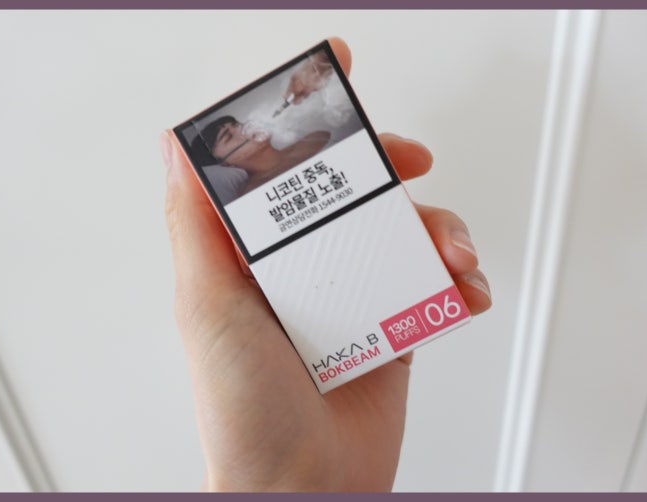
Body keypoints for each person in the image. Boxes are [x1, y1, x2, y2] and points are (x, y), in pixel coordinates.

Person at [160, 37, 492, 492]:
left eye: (237, 123)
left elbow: (325, 80)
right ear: (221, 163)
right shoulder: (250, 202)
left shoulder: (320, 134)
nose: (245, 128)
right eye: (229, 136)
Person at [190, 115, 330, 197]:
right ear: (227, 163)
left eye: (237, 124)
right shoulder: (256, 193)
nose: (242, 129)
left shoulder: (314, 138)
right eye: (229, 136)